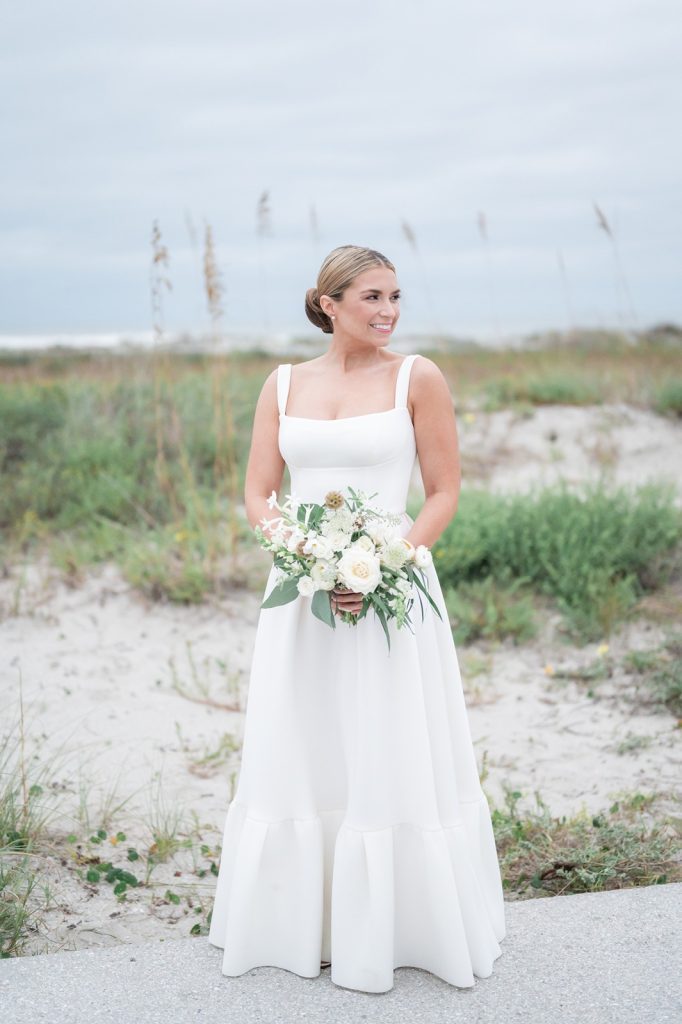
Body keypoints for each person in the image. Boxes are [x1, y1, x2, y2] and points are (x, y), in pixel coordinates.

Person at [208, 244, 505, 993]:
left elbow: (442, 491)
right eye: (371, 297)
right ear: (327, 304)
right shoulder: (280, 384)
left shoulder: (418, 376)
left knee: (388, 744)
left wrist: (384, 560)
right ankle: (297, 921)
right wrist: (309, 562)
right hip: (302, 599)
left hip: (391, 588)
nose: (388, 312)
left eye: (395, 297)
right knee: (305, 745)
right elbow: (257, 494)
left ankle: (404, 925)